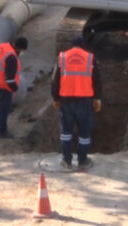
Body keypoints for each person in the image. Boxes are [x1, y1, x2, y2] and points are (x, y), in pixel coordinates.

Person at [51, 36, 102, 171]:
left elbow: (56, 80)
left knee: (66, 132)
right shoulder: (90, 58)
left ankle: (66, 161)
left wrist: (55, 98)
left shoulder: (62, 57)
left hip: (66, 100)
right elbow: (96, 79)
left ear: (71, 45)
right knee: (84, 133)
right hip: (84, 101)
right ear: (83, 45)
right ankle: (82, 161)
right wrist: (97, 98)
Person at [0, 36, 28, 138]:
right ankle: (2, 132)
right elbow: (9, 79)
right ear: (21, 48)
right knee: (4, 110)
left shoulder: (2, 46)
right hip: (2, 88)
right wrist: (15, 89)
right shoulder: (12, 58)